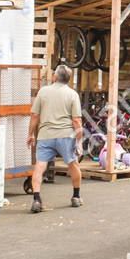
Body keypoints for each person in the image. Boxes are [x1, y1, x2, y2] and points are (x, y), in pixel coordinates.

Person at [26, 64, 83, 213]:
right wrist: (79, 141)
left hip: (45, 136)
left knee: (40, 166)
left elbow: (34, 115)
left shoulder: (43, 92)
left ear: (55, 77)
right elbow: (77, 120)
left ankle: (37, 199)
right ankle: (76, 197)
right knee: (73, 165)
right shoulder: (72, 94)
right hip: (66, 136)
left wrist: (30, 134)